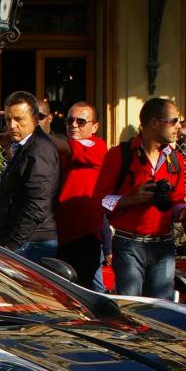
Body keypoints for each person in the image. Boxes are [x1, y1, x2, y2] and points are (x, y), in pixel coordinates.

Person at [94, 97, 186, 299]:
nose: (179, 128)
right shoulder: (120, 155)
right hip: (129, 244)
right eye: (173, 121)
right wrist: (133, 198)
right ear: (155, 123)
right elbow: (100, 200)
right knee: (132, 308)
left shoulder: (176, 159)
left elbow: (176, 202)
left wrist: (182, 211)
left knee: (160, 310)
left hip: (163, 244)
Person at [0, 91, 61, 260]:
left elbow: (36, 204)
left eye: (19, 119)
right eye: (8, 120)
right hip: (23, 240)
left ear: (36, 119)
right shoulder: (24, 145)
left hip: (31, 242)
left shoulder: (40, 149)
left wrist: (12, 245)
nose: (12, 125)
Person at [55, 101, 109, 286]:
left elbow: (67, 147)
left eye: (81, 121)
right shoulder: (62, 147)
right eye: (69, 121)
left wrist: (34, 134)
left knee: (82, 292)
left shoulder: (98, 146)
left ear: (95, 126)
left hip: (84, 235)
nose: (74, 125)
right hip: (58, 233)